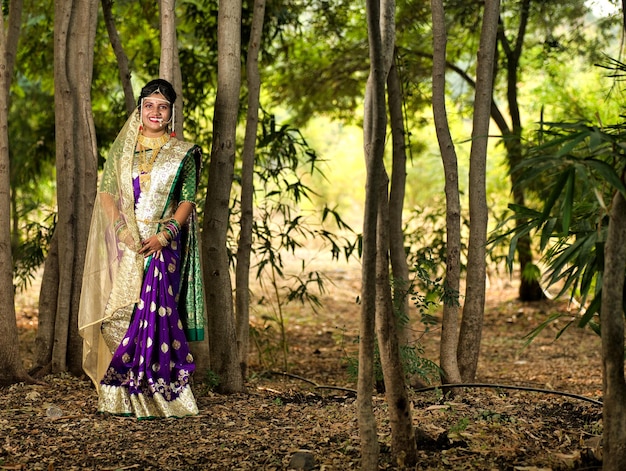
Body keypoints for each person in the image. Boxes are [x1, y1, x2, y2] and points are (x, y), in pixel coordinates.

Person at [78, 78, 205, 419]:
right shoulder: (124, 150)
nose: (155, 111)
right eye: (149, 105)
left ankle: (161, 392)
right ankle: (126, 391)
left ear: (171, 112)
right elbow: (106, 192)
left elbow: (188, 199)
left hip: (163, 245)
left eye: (162, 106)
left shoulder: (184, 153)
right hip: (129, 244)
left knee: (156, 314)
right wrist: (120, 229)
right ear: (140, 109)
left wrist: (165, 236)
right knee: (121, 316)